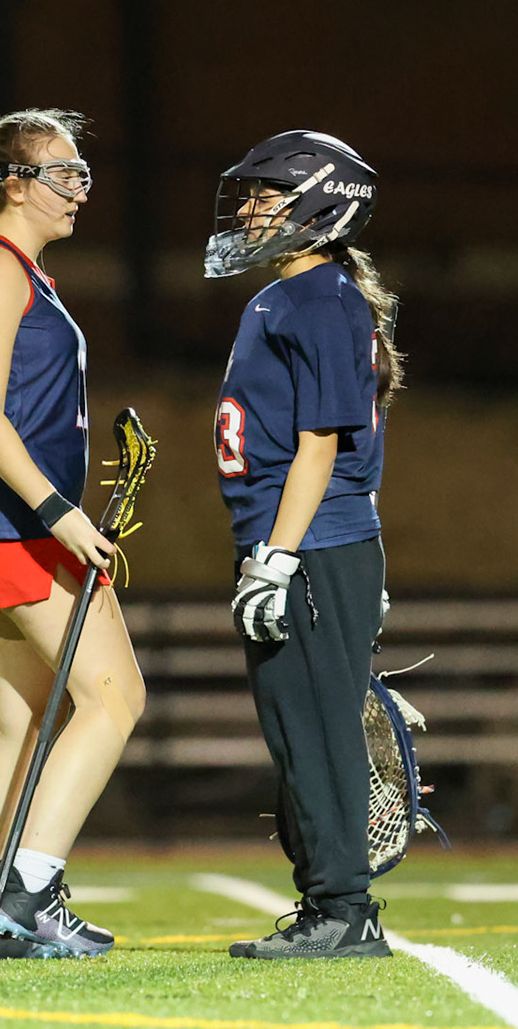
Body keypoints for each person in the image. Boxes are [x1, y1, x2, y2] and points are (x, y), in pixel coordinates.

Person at [0, 109, 145, 960]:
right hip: (13, 528)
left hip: (12, 523)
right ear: (13, 184)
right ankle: (28, 895)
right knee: (115, 697)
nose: (80, 191)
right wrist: (60, 515)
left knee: (27, 721)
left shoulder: (22, 270)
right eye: (64, 174)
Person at [206, 130, 404, 960]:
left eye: (266, 193)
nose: (249, 210)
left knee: (315, 733)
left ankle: (342, 911)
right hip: (308, 543)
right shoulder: (291, 296)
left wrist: (279, 559)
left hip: (309, 547)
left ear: (319, 205)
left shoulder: (321, 298)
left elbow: (324, 444)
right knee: (295, 729)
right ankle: (330, 904)